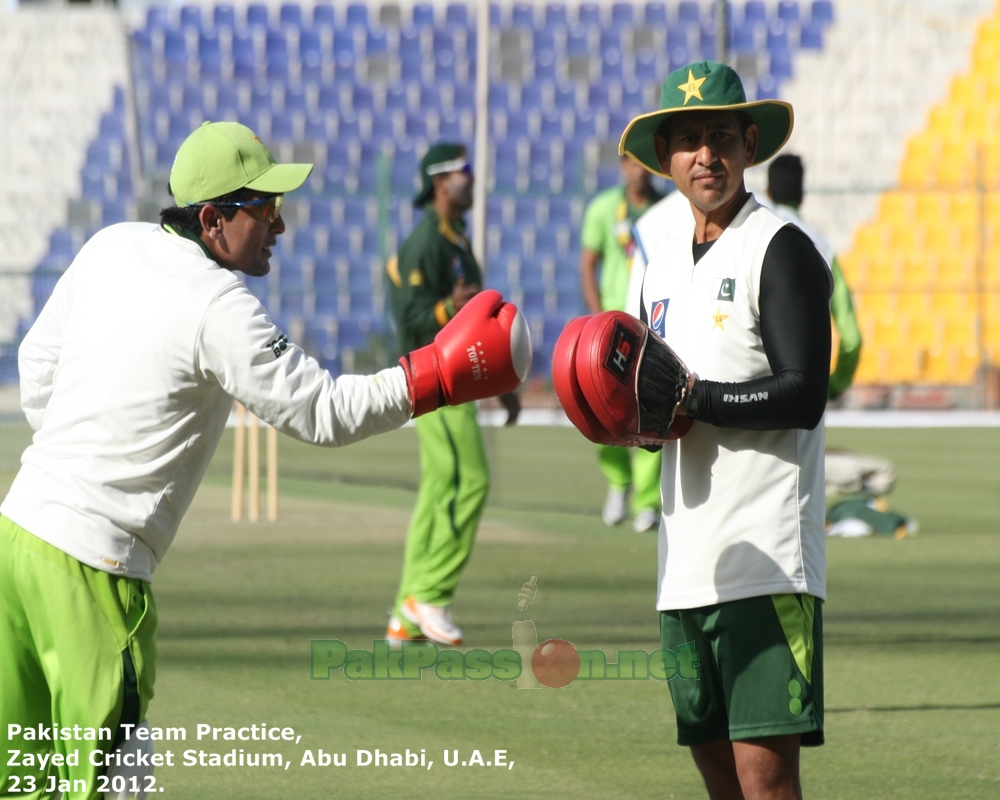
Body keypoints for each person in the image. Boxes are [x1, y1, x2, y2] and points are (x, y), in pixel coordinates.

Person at [0, 123, 528, 799]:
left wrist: (68, 469)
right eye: (263, 209)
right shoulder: (220, 306)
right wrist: (435, 377)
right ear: (214, 219)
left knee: (28, 779)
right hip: (94, 571)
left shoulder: (112, 243)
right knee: (111, 786)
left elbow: (35, 364)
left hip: (18, 537)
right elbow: (322, 412)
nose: (279, 223)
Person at [617, 61, 832, 798]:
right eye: (687, 140)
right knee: (717, 777)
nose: (704, 154)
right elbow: (658, 399)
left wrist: (697, 399)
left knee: (764, 782)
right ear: (667, 159)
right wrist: (628, 419)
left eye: (719, 136)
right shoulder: (659, 265)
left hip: (766, 562)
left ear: (748, 144)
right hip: (685, 565)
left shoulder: (781, 247)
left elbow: (805, 393)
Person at [384, 143, 520, 648]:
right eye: (464, 172)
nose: (472, 179)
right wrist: (449, 308)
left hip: (452, 382)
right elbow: (413, 322)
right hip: (434, 381)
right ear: (441, 182)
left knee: (440, 490)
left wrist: (502, 385)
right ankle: (431, 595)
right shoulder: (426, 243)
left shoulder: (453, 239)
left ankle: (406, 610)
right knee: (471, 483)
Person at [579, 155, 665, 532]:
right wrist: (597, 317)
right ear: (622, 166)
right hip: (611, 330)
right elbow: (588, 264)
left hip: (651, 328)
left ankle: (647, 502)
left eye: (645, 164)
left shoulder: (667, 210)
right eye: (632, 163)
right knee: (603, 410)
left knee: (650, 412)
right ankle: (618, 482)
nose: (639, 171)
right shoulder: (602, 208)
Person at [762, 153, 861, 400]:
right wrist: (833, 386)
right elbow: (852, 338)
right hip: (803, 394)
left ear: (768, 192)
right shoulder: (822, 247)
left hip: (750, 393)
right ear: (802, 197)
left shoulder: (753, 235)